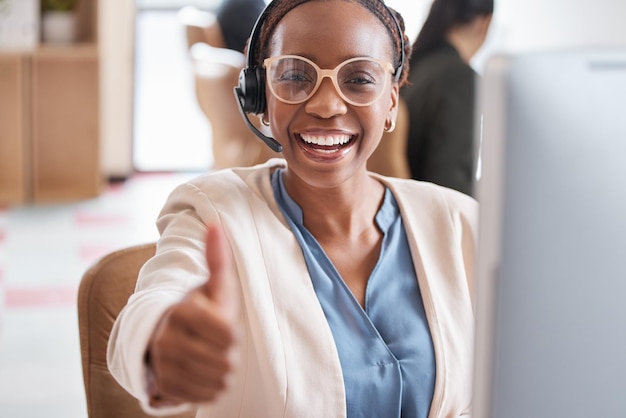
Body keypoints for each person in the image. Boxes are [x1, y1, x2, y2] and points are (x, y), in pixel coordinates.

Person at [107, 0, 478, 417]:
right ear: (260, 95)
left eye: (358, 79)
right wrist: (160, 343)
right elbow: (153, 306)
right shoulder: (212, 212)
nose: (326, 105)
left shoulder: (460, 223)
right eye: (295, 76)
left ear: (391, 100)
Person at [401, 0, 493, 196]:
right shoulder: (460, 77)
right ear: (485, 23)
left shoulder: (412, 69)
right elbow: (449, 183)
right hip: (428, 218)